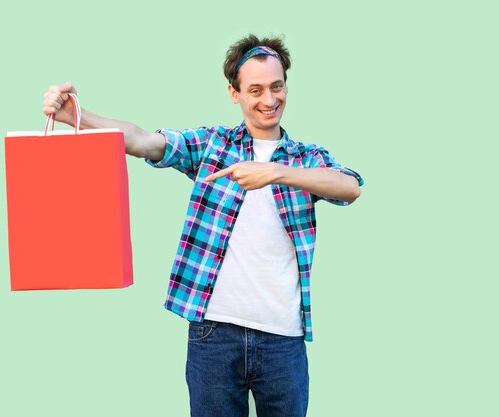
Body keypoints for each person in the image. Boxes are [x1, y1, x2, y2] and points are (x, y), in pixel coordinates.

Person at [42, 34, 363, 417]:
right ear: (235, 93)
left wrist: (277, 172)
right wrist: (78, 117)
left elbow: (349, 186)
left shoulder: (306, 157)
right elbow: (144, 141)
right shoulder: (212, 146)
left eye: (277, 87)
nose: (269, 100)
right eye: (256, 89)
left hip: (284, 340)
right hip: (214, 335)